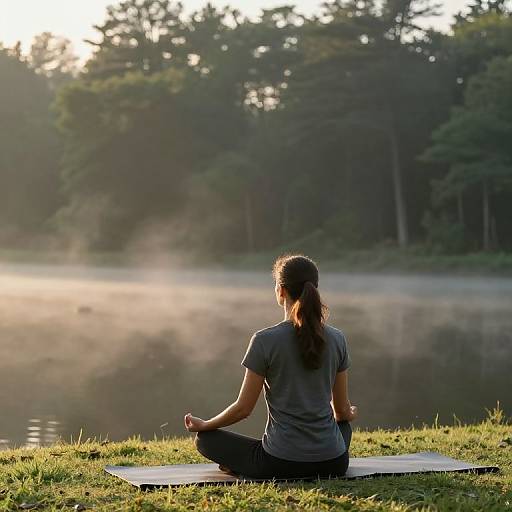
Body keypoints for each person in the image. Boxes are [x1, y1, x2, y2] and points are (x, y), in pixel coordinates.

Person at [184, 254, 358, 480]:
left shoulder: (265, 340)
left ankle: (241, 466)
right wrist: (351, 413)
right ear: (314, 288)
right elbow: (341, 411)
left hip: (280, 463)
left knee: (205, 440)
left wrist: (206, 425)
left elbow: (243, 409)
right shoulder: (337, 338)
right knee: (343, 426)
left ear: (281, 291)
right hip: (333, 463)